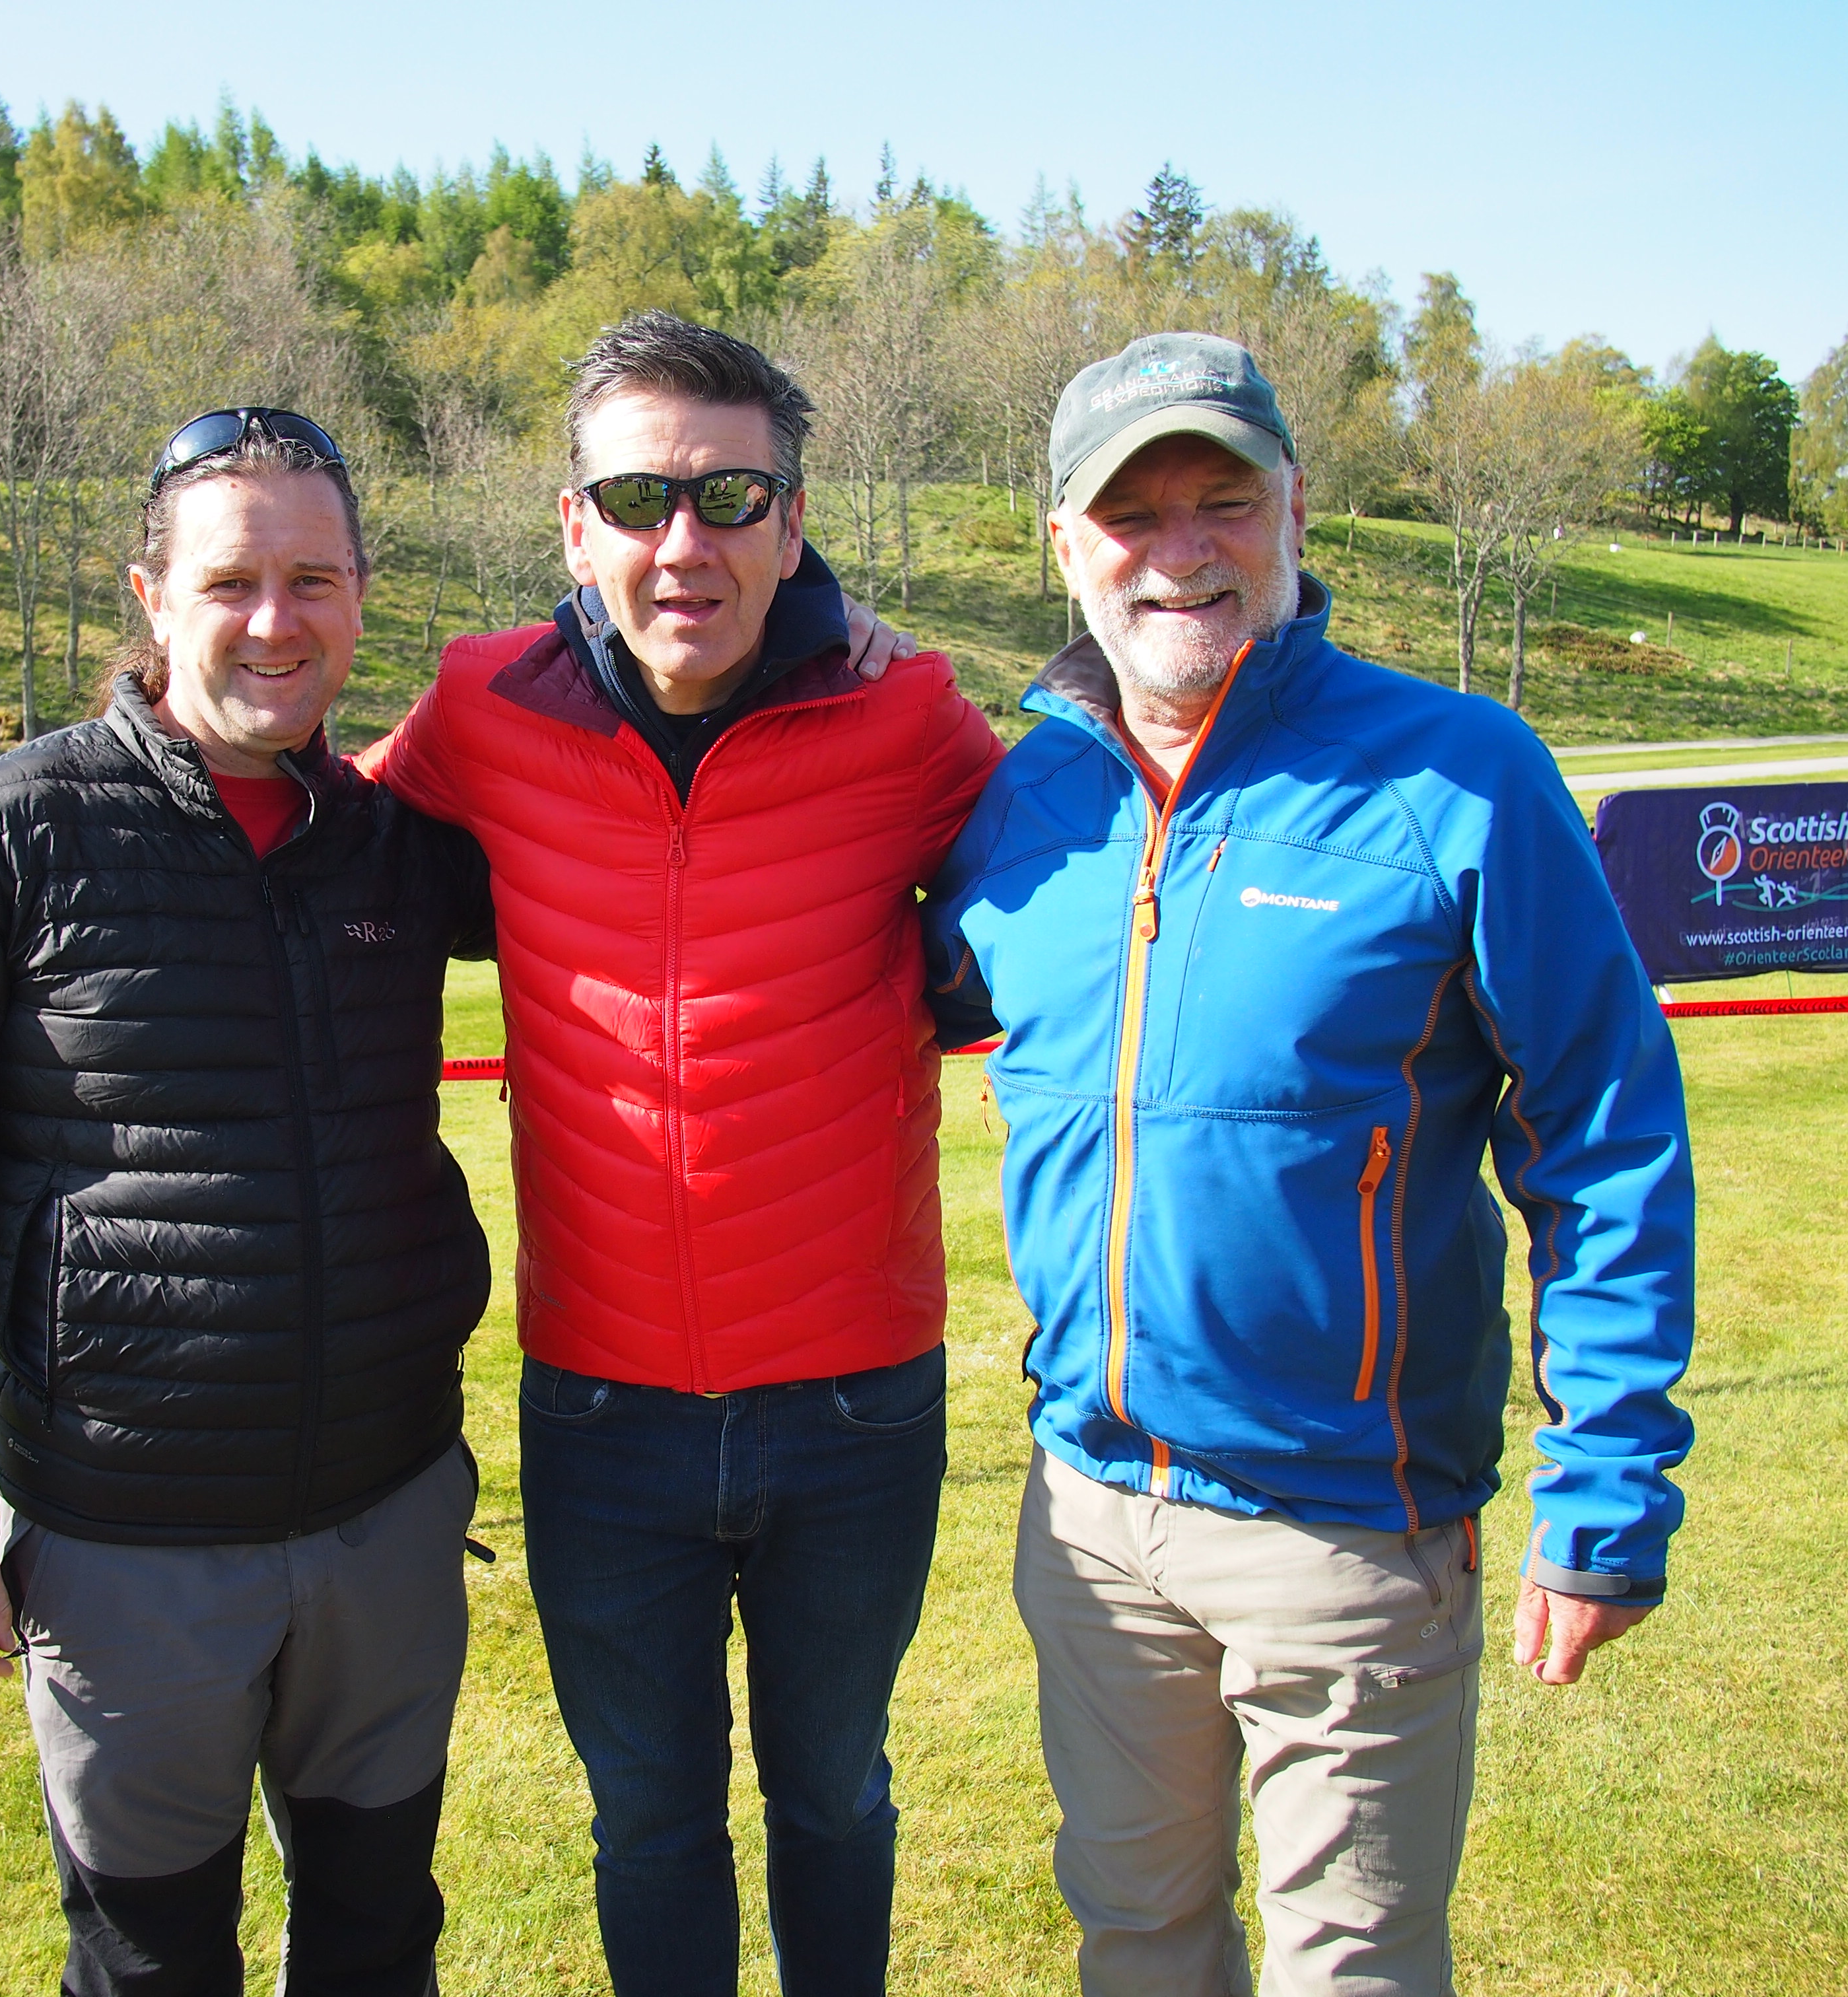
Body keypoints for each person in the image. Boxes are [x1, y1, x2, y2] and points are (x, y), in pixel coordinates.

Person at [922, 333, 1695, 1997]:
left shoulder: (1457, 774)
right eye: (1132, 514)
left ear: (1293, 508)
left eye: (1222, 499)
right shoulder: (1026, 798)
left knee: (1352, 1973)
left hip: (1349, 1533)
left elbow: (1608, 1130)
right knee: (1136, 1942)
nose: (1181, 550)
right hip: (1091, 1519)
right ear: (1063, 545)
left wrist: (1609, 1477)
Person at [0, 409, 495, 1997]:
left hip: (388, 1521)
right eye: (231, 580)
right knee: (150, 1964)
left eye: (314, 580)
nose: (274, 621)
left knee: (381, 1941)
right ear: (151, 596)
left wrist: (807, 617)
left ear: (362, 596)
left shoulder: (397, 851)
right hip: (130, 1548)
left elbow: (636, 765)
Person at [359, 311, 1004, 1995]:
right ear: (574, 525)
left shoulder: (909, 713)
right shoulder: (480, 704)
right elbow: (312, 851)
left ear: (795, 524)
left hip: (856, 1406)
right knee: (647, 1819)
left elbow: (1071, 863)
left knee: (835, 1795)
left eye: (731, 497)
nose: (684, 543)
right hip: (603, 1410)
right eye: (640, 497)